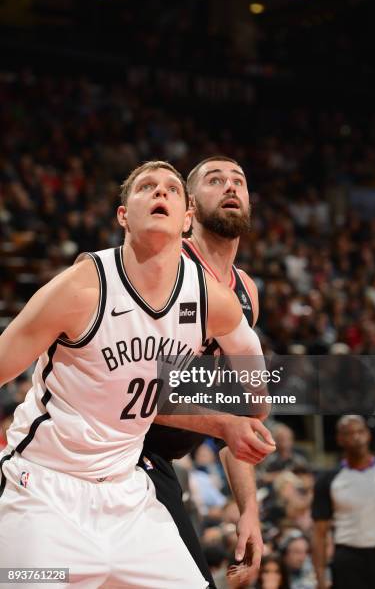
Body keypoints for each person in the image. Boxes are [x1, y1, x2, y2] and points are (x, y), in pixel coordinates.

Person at [0, 161, 274, 588]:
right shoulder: (82, 286)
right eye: (147, 187)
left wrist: (245, 418)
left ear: (185, 217)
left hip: (126, 492)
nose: (160, 193)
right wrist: (223, 419)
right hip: (46, 487)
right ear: (123, 214)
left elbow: (254, 394)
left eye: (170, 188)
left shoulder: (221, 299)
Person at [139, 155, 268, 587]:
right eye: (215, 181)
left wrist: (248, 510)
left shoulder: (246, 291)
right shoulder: (163, 267)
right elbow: (131, 393)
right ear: (189, 206)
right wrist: (224, 422)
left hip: (157, 463)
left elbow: (239, 415)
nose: (231, 187)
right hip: (116, 450)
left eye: (239, 181)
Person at [312, 415, 375, 589]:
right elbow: (319, 533)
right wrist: (320, 578)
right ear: (339, 439)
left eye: (360, 431)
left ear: (368, 435)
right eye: (349, 433)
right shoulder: (328, 480)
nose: (356, 436)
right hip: (348, 559)